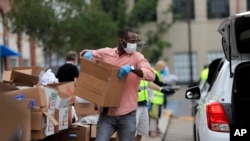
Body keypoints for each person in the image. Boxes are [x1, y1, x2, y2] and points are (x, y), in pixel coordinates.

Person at [80, 27, 155, 141]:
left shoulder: (137, 57)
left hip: (127, 114)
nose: (134, 44)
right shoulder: (107, 53)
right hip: (107, 113)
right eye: (131, 41)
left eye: (135, 41)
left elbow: (151, 75)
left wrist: (132, 68)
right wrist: (87, 53)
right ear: (121, 40)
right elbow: (87, 52)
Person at [148, 60, 174, 137]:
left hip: (158, 100)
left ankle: (155, 129)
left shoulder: (158, 74)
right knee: (153, 115)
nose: (165, 69)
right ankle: (152, 131)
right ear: (160, 67)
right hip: (154, 99)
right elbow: (158, 84)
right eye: (163, 67)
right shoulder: (155, 74)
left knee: (157, 115)